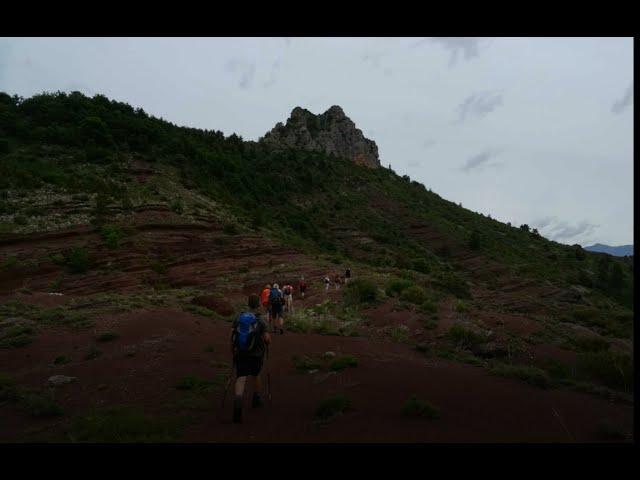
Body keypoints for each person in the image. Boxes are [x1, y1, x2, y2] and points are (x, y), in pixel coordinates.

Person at [231, 294, 271, 424]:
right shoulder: (260, 319)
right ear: (258, 304)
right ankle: (256, 398)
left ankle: (238, 403)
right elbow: (267, 339)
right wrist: (267, 342)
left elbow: (232, 335)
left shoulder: (239, 317)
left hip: (241, 352)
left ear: (248, 303)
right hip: (256, 354)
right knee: (256, 374)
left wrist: (232, 350)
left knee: (241, 377)